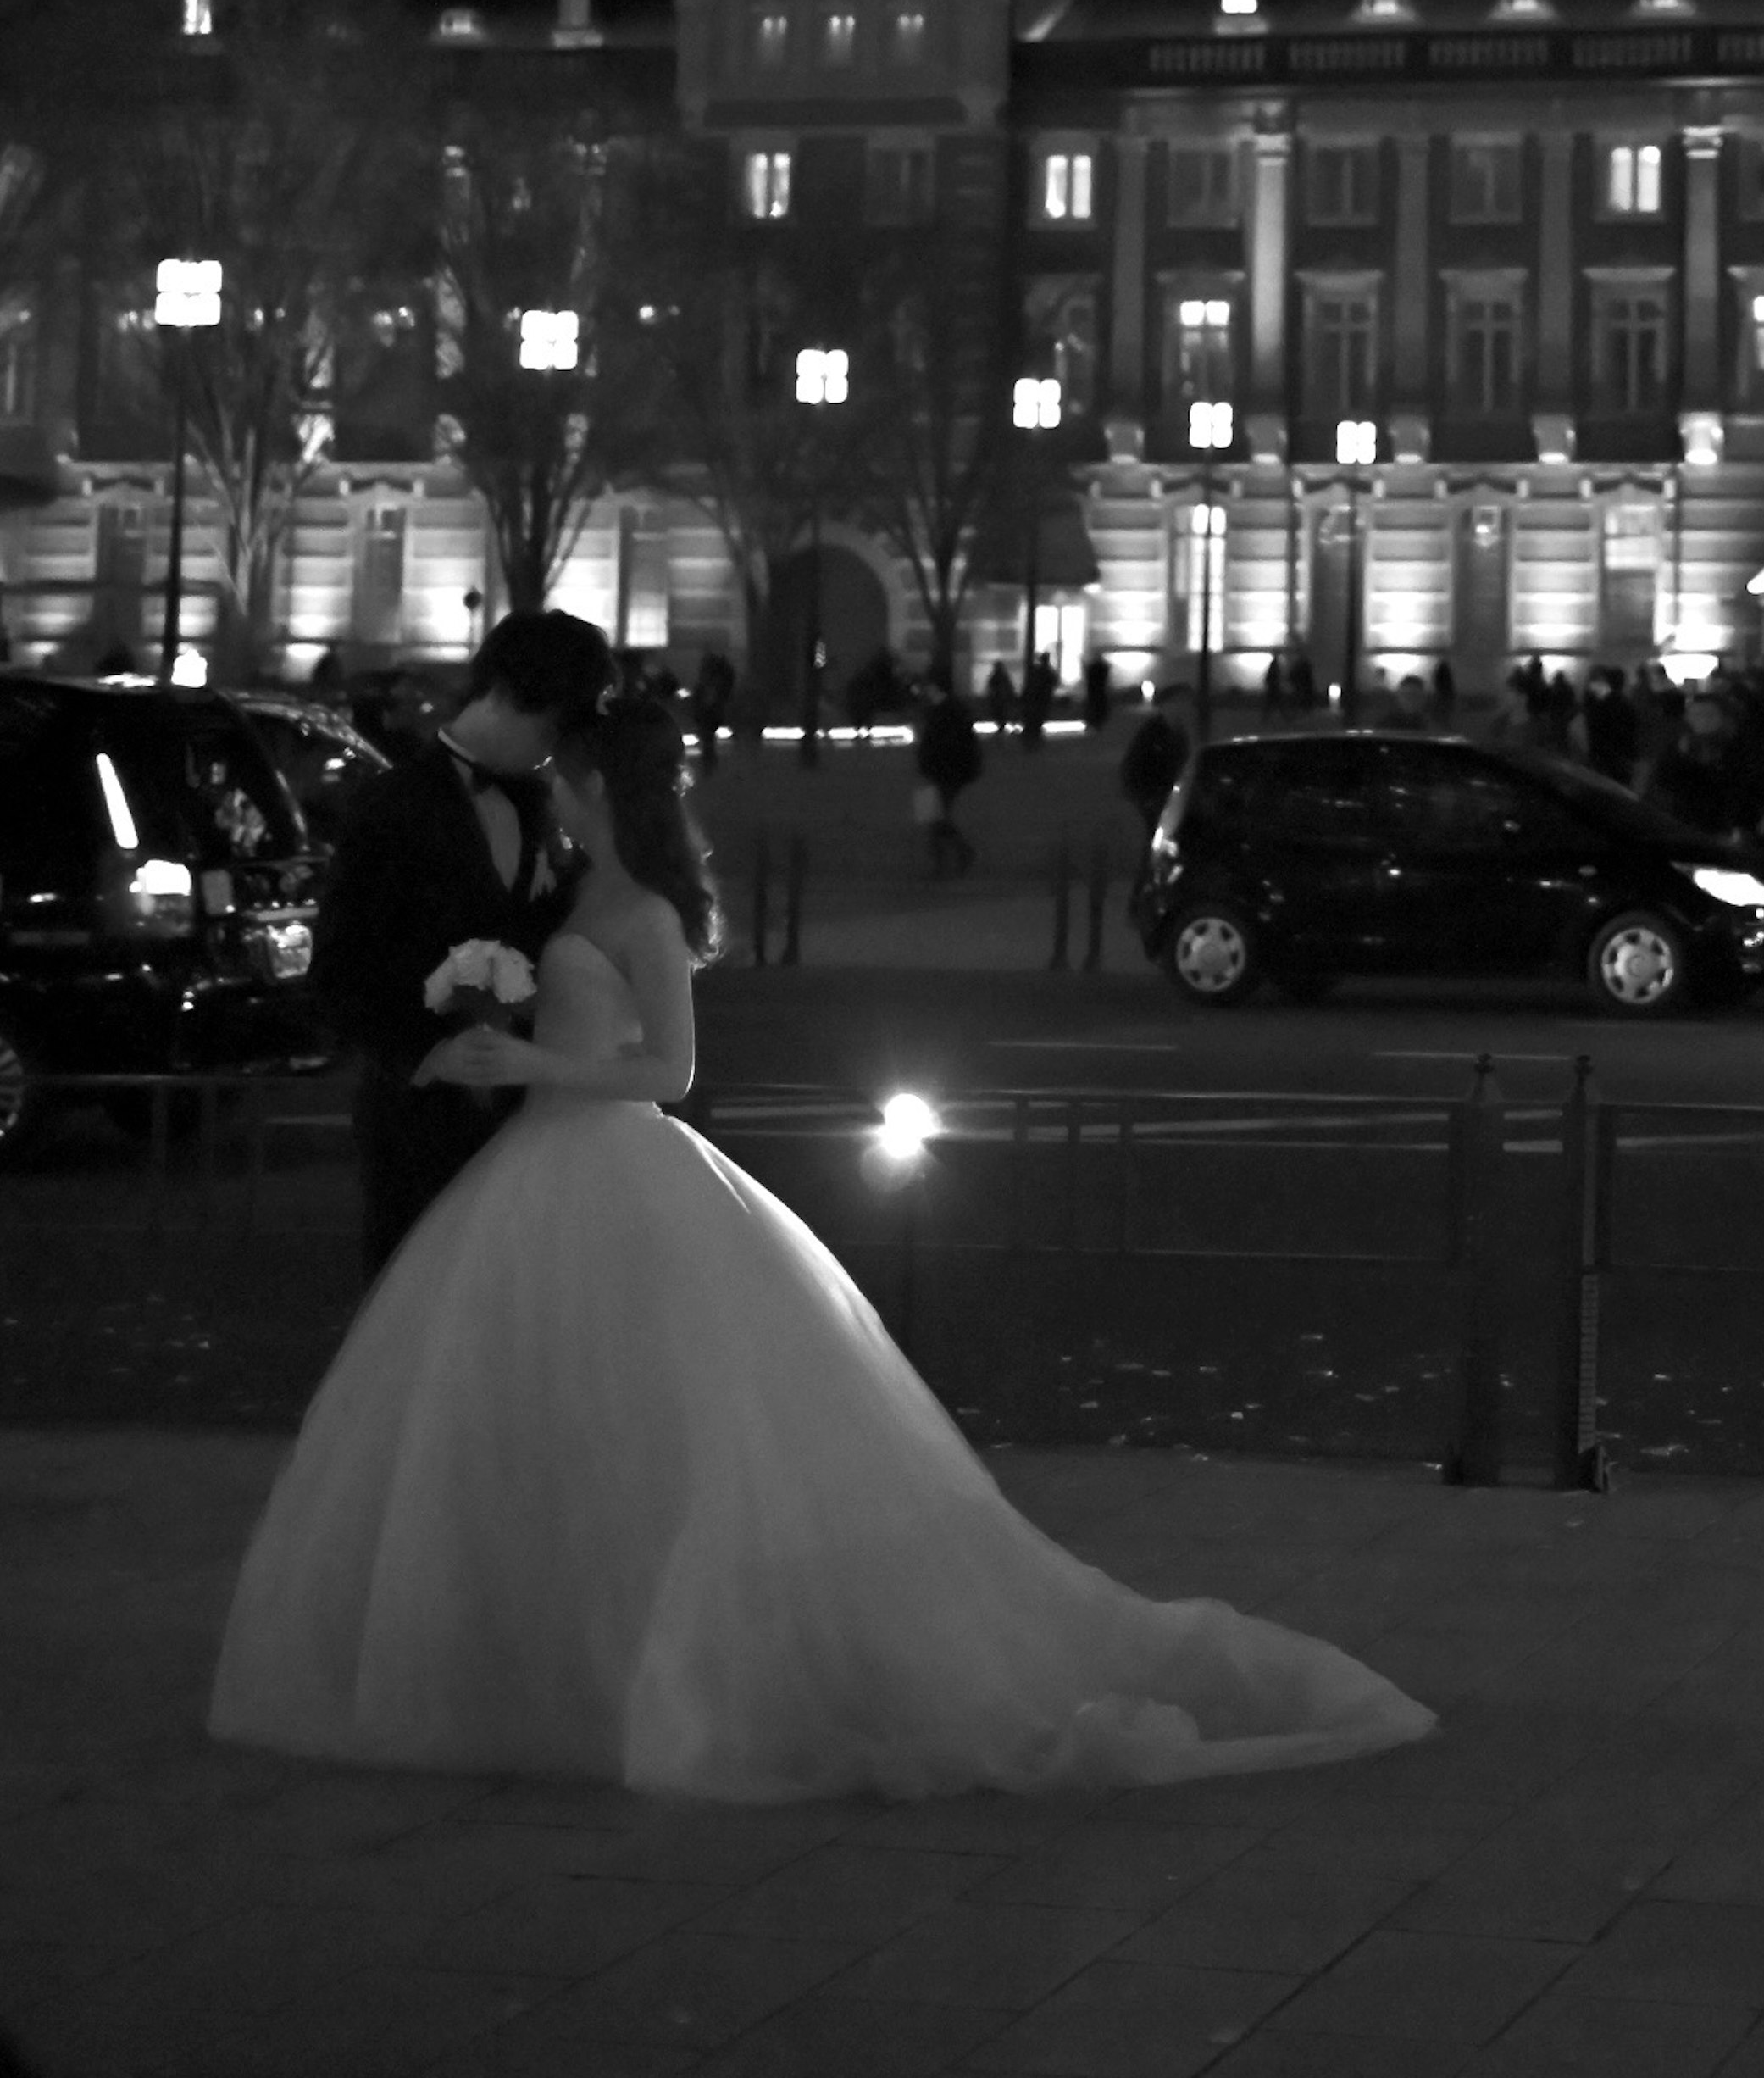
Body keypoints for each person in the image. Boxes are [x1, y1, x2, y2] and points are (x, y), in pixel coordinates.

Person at [211, 692, 1430, 1802]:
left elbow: (673, 1072)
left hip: (605, 1158)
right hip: (542, 1165)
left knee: (648, 1424)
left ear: (601, 787)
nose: (552, 790)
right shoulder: (573, 890)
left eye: (569, 777)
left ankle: (641, 1660)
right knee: (561, 1424)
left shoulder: (636, 912)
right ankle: (567, 1652)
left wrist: (527, 1055)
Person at [308, 606, 615, 1275]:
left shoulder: (537, 803)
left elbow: (527, 931)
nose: (554, 747)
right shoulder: (392, 804)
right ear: (505, 695)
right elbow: (338, 968)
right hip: (419, 1123)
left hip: (524, 1117)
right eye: (551, 724)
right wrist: (430, 1052)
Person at [913, 677, 984, 878]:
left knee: (935, 816)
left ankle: (951, 858)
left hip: (947, 771)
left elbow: (945, 743)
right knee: (933, 816)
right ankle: (951, 857)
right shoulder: (944, 710)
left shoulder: (946, 712)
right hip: (942, 771)